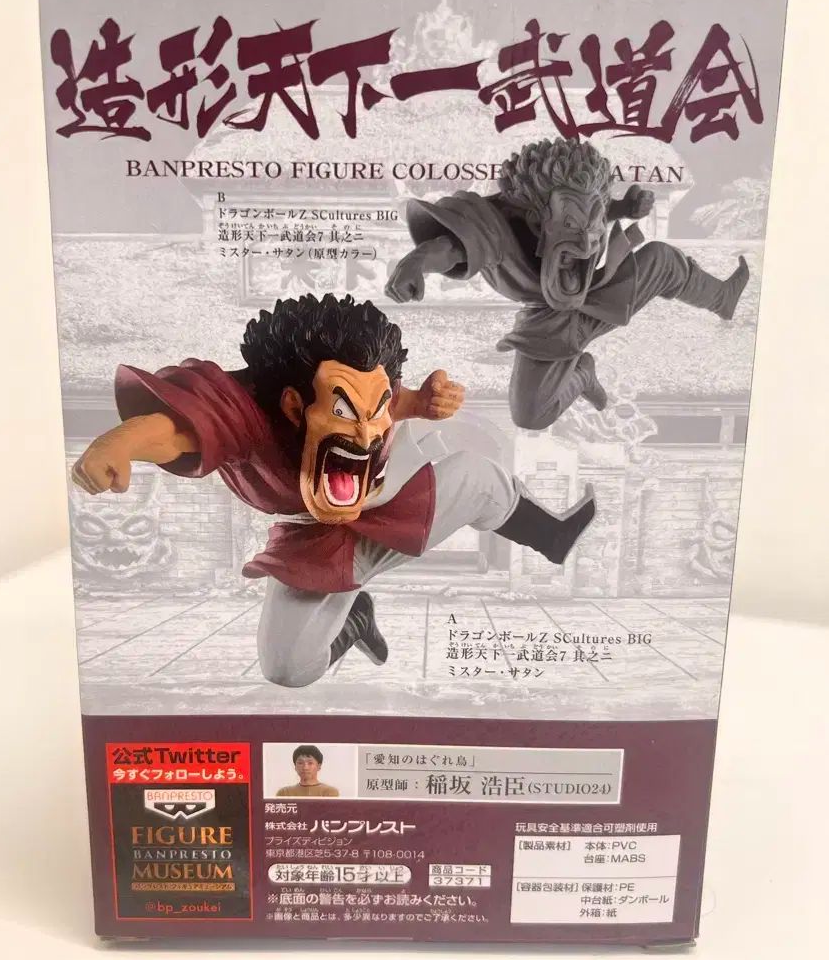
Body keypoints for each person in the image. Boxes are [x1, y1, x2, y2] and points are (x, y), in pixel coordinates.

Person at [71, 293, 596, 689]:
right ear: (294, 406)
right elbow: (177, 429)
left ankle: (551, 535)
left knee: (477, 477)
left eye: (374, 410)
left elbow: (389, 404)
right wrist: (120, 444)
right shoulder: (248, 413)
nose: (366, 432)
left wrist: (426, 401)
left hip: (388, 502)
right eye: (342, 410)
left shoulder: (374, 406)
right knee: (288, 669)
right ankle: (355, 617)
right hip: (312, 541)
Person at [386, 137, 750, 431]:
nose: (589, 242)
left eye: (593, 225)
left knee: (661, 260)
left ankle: (722, 297)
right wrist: (415, 262)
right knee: (530, 415)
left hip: (600, 296)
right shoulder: (495, 230)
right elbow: (452, 247)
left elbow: (592, 209)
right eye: (572, 226)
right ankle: (583, 375)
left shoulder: (580, 211)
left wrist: (625, 208)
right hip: (550, 324)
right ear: (535, 219)